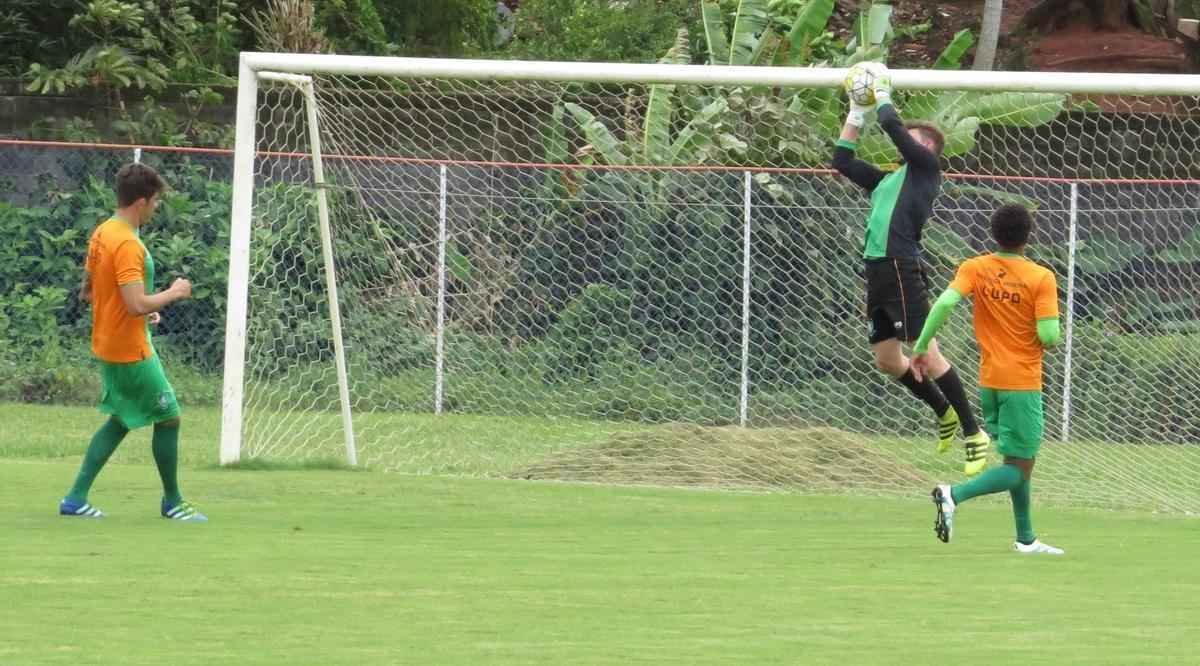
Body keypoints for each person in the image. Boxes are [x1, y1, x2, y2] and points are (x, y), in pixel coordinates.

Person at [831, 63, 990, 476]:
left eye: (912, 139)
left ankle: (974, 432)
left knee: (927, 353)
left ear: (927, 149)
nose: (904, 141)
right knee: (887, 360)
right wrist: (856, 111)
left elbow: (894, 128)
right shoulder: (888, 180)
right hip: (877, 272)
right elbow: (842, 160)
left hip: (901, 268)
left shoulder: (925, 170)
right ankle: (943, 410)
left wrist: (882, 93)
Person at [59, 163, 207, 522]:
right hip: (130, 349)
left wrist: (139, 311)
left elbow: (88, 291)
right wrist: (174, 292)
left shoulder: (103, 232)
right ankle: (173, 502)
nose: (156, 208)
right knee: (168, 417)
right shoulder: (127, 243)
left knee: (121, 420)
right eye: (155, 202)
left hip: (110, 341)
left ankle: (75, 499)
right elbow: (135, 303)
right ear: (141, 201)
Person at [912, 204, 1064, 555]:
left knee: (1017, 462)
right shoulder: (1041, 277)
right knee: (1020, 467)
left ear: (993, 234)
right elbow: (1050, 336)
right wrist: (1044, 331)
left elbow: (945, 303)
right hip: (1022, 383)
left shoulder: (975, 267)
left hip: (989, 381)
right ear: (1028, 236)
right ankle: (953, 495)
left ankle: (1026, 539)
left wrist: (921, 346)